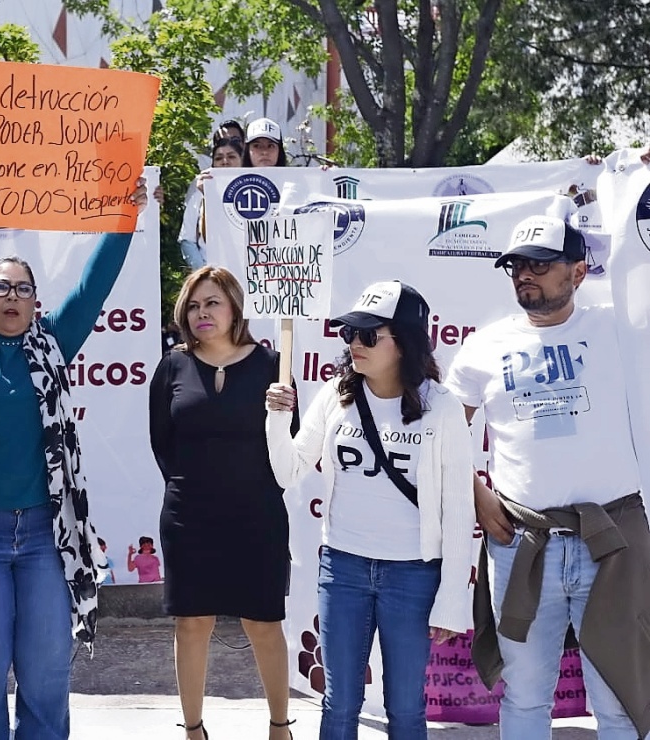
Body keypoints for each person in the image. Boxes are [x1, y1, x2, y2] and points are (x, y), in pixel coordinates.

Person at [0, 169, 149, 740]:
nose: (12, 298)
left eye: (22, 289)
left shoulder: (55, 342)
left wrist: (124, 218)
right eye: (1, 288)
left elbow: (95, 284)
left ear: (36, 302)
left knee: (45, 678)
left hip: (47, 536)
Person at [445, 216, 650, 739]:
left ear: (579, 272)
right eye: (516, 265)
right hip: (522, 543)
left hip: (614, 541)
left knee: (622, 699)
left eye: (540, 263)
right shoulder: (483, 347)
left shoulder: (620, 328)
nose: (525, 274)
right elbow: (440, 435)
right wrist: (476, 496)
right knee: (526, 699)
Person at [265, 281, 475, 739]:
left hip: (413, 575)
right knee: (339, 704)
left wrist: (452, 597)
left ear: (405, 341)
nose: (355, 344)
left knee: (405, 708)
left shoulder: (442, 408)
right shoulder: (336, 393)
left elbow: (459, 509)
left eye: (369, 335)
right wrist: (277, 417)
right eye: (349, 334)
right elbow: (288, 471)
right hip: (342, 568)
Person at [149, 266, 295, 740]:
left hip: (257, 515)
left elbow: (289, 447)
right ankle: (193, 730)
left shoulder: (274, 366)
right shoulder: (171, 366)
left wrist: (284, 411)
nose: (201, 313)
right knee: (192, 624)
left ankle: (279, 727)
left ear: (235, 306)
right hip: (189, 515)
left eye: (212, 302)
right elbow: (161, 442)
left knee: (263, 623)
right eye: (193, 305)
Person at [178, 136, 249, 270]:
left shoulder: (255, 194)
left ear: (242, 161)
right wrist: (203, 272)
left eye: (231, 156)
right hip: (212, 276)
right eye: (219, 158)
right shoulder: (200, 194)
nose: (225, 161)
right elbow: (187, 240)